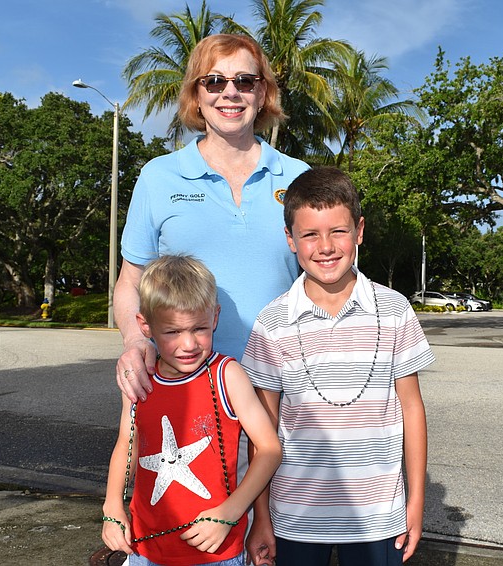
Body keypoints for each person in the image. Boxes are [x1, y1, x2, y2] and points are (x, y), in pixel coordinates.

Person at [240, 167, 435, 566]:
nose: (325, 246)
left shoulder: (396, 311)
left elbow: (412, 410)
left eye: (339, 231)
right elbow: (262, 428)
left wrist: (415, 502)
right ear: (291, 240)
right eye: (310, 234)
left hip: (378, 519)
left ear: (359, 231)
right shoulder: (271, 321)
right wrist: (260, 516)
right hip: (293, 519)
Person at [115, 34, 309, 403]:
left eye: (245, 81)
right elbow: (130, 282)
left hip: (286, 391)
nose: (230, 92)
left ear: (262, 92)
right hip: (186, 390)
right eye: (215, 81)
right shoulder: (158, 176)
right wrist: (135, 340)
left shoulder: (299, 176)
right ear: (196, 95)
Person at [102, 255, 282, 566]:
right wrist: (112, 507)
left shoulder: (228, 375)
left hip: (218, 554)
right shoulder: (139, 381)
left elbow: (269, 449)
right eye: (173, 332)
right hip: (146, 552)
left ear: (215, 318)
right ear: (145, 324)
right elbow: (126, 446)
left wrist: (230, 512)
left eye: (199, 328)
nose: (188, 344)